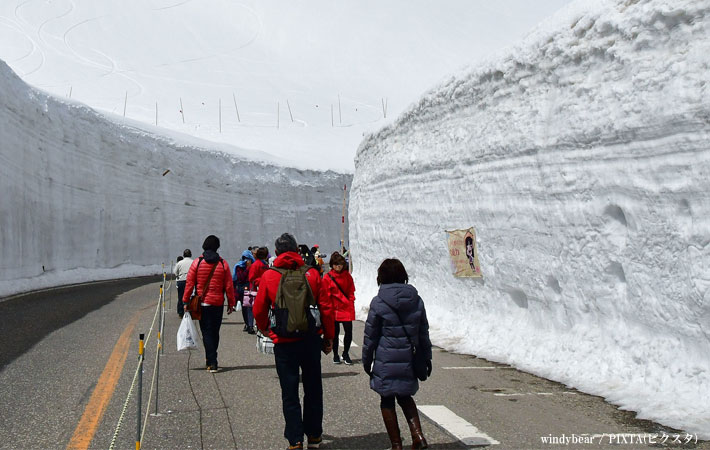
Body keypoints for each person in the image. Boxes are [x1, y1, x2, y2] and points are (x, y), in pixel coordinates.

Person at [253, 233, 335, 450]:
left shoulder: (269, 276)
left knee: (289, 391)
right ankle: (315, 435)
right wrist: (329, 337)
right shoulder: (312, 274)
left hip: (284, 341)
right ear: (297, 251)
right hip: (309, 339)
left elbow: (259, 309)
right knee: (313, 388)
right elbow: (326, 308)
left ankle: (295, 439)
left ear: (277, 252)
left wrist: (266, 330)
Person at [362, 259, 433, 450]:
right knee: (405, 396)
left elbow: (371, 335)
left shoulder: (378, 302)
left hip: (385, 359)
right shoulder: (416, 300)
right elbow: (423, 332)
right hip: (409, 358)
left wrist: (367, 360)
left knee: (387, 400)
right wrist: (427, 357)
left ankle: (396, 445)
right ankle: (418, 436)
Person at [182, 235, 236, 373]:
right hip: (218, 303)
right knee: (215, 331)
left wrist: (185, 300)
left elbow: (189, 283)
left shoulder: (197, 263)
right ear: (217, 247)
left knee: (206, 332)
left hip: (203, 302)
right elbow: (229, 285)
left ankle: (211, 361)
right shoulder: (223, 264)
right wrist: (231, 303)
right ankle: (212, 358)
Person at [322, 252, 355, 365]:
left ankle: (345, 353)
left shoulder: (347, 276)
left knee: (349, 332)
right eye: (336, 264)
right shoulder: (327, 277)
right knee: (335, 333)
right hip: (334, 309)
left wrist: (350, 300)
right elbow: (325, 295)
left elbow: (351, 289)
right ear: (332, 265)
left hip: (346, 307)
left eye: (340, 264)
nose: (338, 266)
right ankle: (335, 354)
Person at [245, 247, 269, 334]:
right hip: (257, 290)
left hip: (256, 289)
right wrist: (262, 281)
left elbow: (251, 278)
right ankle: (254, 325)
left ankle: (252, 325)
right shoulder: (262, 265)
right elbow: (252, 278)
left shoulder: (257, 264)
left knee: (252, 309)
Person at [233, 250, 255, 331]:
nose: (246, 260)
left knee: (250, 307)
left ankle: (250, 325)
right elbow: (240, 278)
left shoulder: (254, 265)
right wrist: (247, 269)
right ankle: (247, 323)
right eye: (245, 258)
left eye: (248, 258)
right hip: (242, 290)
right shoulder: (239, 266)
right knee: (245, 307)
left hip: (250, 289)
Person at [173, 249, 193, 318]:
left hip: (181, 281)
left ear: (183, 255)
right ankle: (190, 311)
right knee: (191, 296)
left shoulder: (180, 263)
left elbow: (175, 272)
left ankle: (180, 313)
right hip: (190, 281)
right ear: (191, 255)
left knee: (181, 297)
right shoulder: (193, 262)